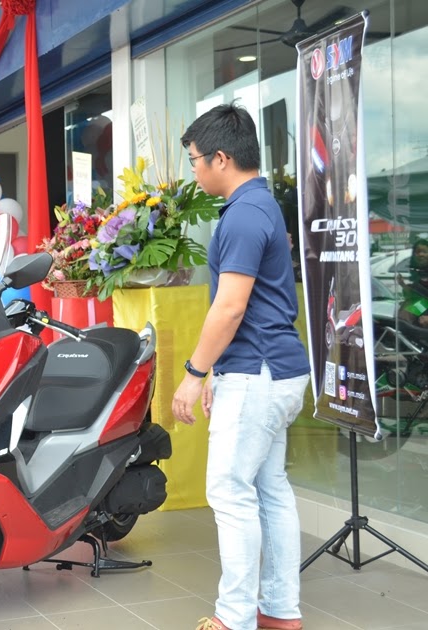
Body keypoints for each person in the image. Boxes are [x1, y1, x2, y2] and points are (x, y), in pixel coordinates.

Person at [170, 103, 310, 630]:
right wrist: (220, 373)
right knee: (269, 489)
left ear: (221, 158)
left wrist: (194, 374)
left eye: (195, 160)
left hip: (260, 371)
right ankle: (279, 611)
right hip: (271, 370)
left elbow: (229, 307)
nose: (194, 170)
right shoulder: (260, 205)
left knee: (229, 492)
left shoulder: (245, 215)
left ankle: (234, 619)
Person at [397, 239, 428, 327]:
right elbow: (415, 296)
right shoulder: (418, 273)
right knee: (404, 317)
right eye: (418, 252)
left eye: (424, 252)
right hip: (423, 306)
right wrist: (403, 285)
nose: (421, 254)